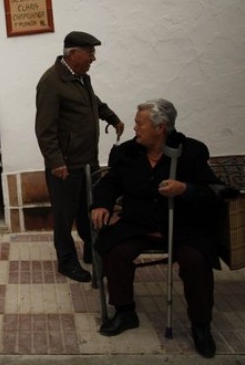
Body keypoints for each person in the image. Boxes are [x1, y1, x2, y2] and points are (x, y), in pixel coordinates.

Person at [90, 98, 223, 358]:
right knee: (115, 250)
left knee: (196, 261)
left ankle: (201, 324)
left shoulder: (191, 152)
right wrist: (101, 204)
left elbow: (215, 191)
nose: (134, 128)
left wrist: (186, 189)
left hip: (182, 227)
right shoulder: (126, 152)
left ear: (160, 128)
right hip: (138, 225)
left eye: (140, 123)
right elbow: (111, 182)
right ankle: (125, 311)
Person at [35, 31, 124, 282]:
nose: (93, 58)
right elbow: (45, 129)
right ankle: (66, 261)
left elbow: (92, 102)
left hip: (88, 160)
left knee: (89, 209)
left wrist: (111, 117)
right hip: (66, 164)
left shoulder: (81, 77)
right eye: (90, 53)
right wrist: (56, 162)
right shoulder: (51, 82)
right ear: (73, 54)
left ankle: (90, 251)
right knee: (64, 216)